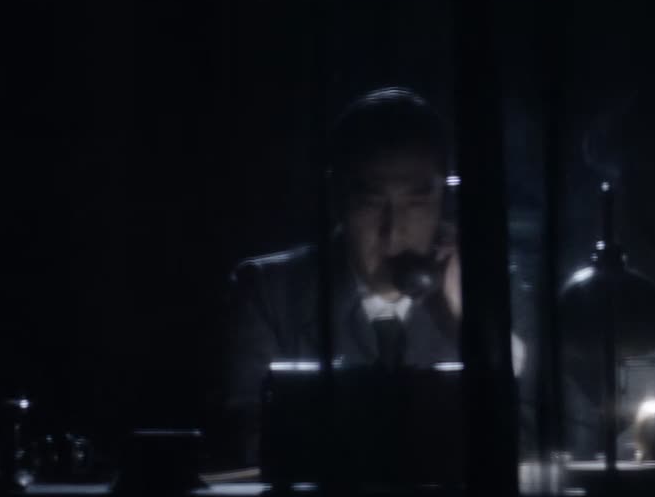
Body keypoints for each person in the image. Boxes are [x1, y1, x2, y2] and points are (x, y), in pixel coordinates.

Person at [220, 87, 528, 467]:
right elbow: (247, 444)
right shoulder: (268, 293)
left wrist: (470, 328)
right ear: (336, 198)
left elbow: (533, 441)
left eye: (417, 202)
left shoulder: (494, 292)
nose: (393, 232)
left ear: (444, 200)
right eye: (369, 202)